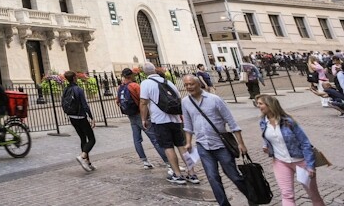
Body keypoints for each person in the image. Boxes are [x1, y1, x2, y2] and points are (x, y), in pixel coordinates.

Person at [180, 75, 252, 206]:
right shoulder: (185, 102)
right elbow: (188, 124)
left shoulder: (214, 99)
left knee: (234, 175)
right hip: (203, 145)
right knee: (212, 177)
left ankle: (252, 197)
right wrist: (188, 142)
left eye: (191, 84)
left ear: (199, 84)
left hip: (221, 144)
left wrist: (241, 144)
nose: (189, 87)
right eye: (186, 85)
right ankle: (223, 204)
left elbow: (231, 122)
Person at [257, 95, 327, 206]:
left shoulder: (288, 122)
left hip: (301, 161)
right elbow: (268, 137)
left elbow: (305, 143)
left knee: (314, 195)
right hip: (280, 162)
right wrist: (266, 146)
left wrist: (310, 165)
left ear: (269, 105)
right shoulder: (263, 122)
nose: (258, 106)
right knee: (287, 195)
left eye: (260, 103)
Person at [140, 62, 193, 185]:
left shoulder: (146, 83)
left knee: (168, 147)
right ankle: (192, 173)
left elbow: (143, 102)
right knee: (182, 146)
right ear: (155, 70)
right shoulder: (168, 82)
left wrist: (143, 119)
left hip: (160, 121)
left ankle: (178, 175)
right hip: (175, 119)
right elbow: (178, 99)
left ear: (144, 73)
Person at [117, 68, 161, 169]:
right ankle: (168, 162)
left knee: (137, 139)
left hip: (131, 116)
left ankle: (144, 161)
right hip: (140, 114)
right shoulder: (135, 86)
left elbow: (118, 102)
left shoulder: (120, 88)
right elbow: (143, 100)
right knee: (154, 139)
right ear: (131, 75)